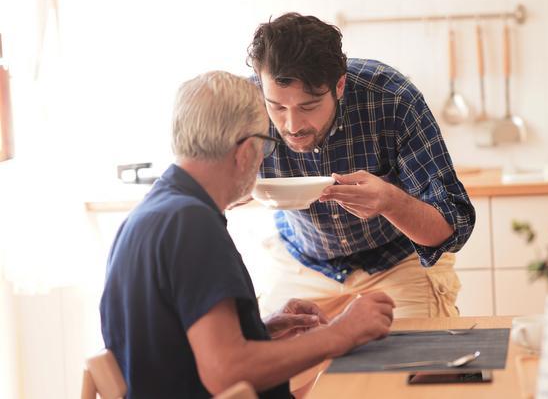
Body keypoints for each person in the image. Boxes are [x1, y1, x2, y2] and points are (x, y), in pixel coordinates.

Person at [99, 71, 395, 399]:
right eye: (266, 146)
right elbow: (226, 372)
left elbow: (171, 352)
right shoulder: (191, 224)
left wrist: (259, 329)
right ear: (245, 151)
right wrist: (342, 332)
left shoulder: (152, 213)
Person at [247, 13, 476, 320]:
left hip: (397, 260)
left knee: (423, 362)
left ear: (339, 85)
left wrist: (391, 202)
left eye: (308, 106)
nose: (292, 125)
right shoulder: (244, 106)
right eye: (276, 106)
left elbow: (453, 227)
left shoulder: (392, 100)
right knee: (271, 362)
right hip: (302, 259)